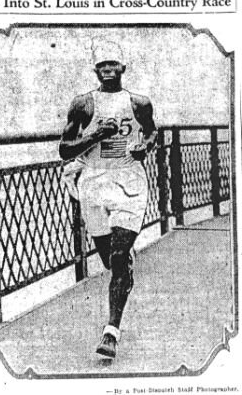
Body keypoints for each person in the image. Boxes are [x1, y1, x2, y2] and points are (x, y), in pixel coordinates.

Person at [59, 40, 158, 358]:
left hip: (129, 181)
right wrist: (95, 136)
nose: (108, 70)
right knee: (110, 260)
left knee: (117, 257)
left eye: (114, 64)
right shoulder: (84, 104)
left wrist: (146, 147)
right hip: (94, 183)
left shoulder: (139, 102)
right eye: (103, 66)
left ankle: (110, 333)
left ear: (123, 68)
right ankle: (124, 273)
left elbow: (153, 131)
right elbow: (64, 150)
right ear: (96, 70)